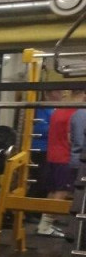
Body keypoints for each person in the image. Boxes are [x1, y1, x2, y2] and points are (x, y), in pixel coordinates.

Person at [37, 89, 80, 238]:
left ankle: (45, 224)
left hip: (52, 156)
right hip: (65, 157)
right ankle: (45, 226)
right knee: (62, 191)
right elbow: (71, 138)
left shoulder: (59, 110)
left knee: (53, 190)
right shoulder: (75, 113)